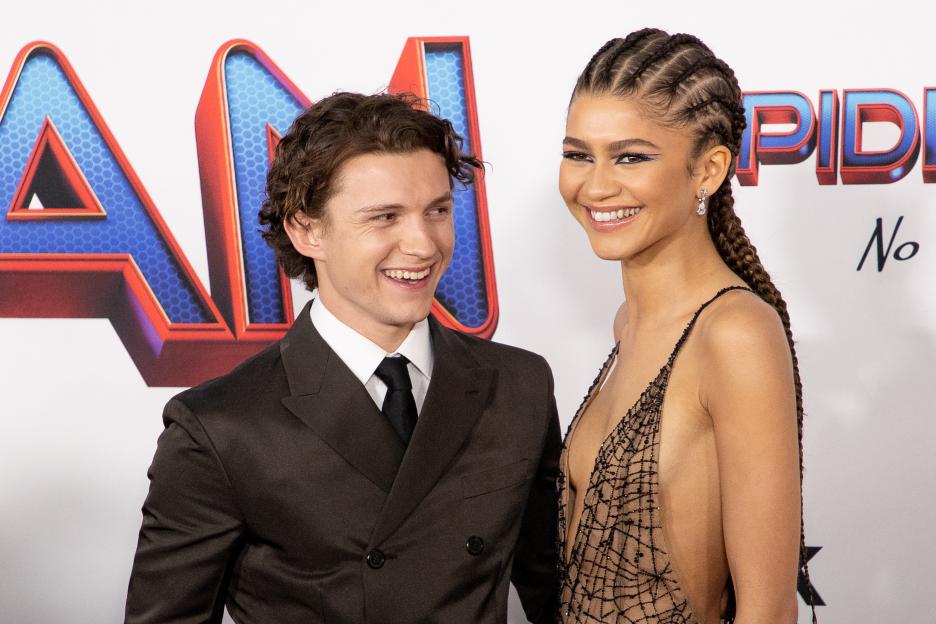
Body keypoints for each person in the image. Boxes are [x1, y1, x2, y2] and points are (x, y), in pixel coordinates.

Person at [125, 92, 560, 624]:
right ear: (306, 230)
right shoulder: (219, 427)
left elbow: (559, 593)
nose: (423, 245)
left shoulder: (518, 385)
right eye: (385, 218)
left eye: (437, 211)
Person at [556, 29, 816, 623]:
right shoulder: (631, 323)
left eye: (631, 157)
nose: (594, 185)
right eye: (578, 154)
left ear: (709, 168)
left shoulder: (734, 332)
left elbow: (768, 610)